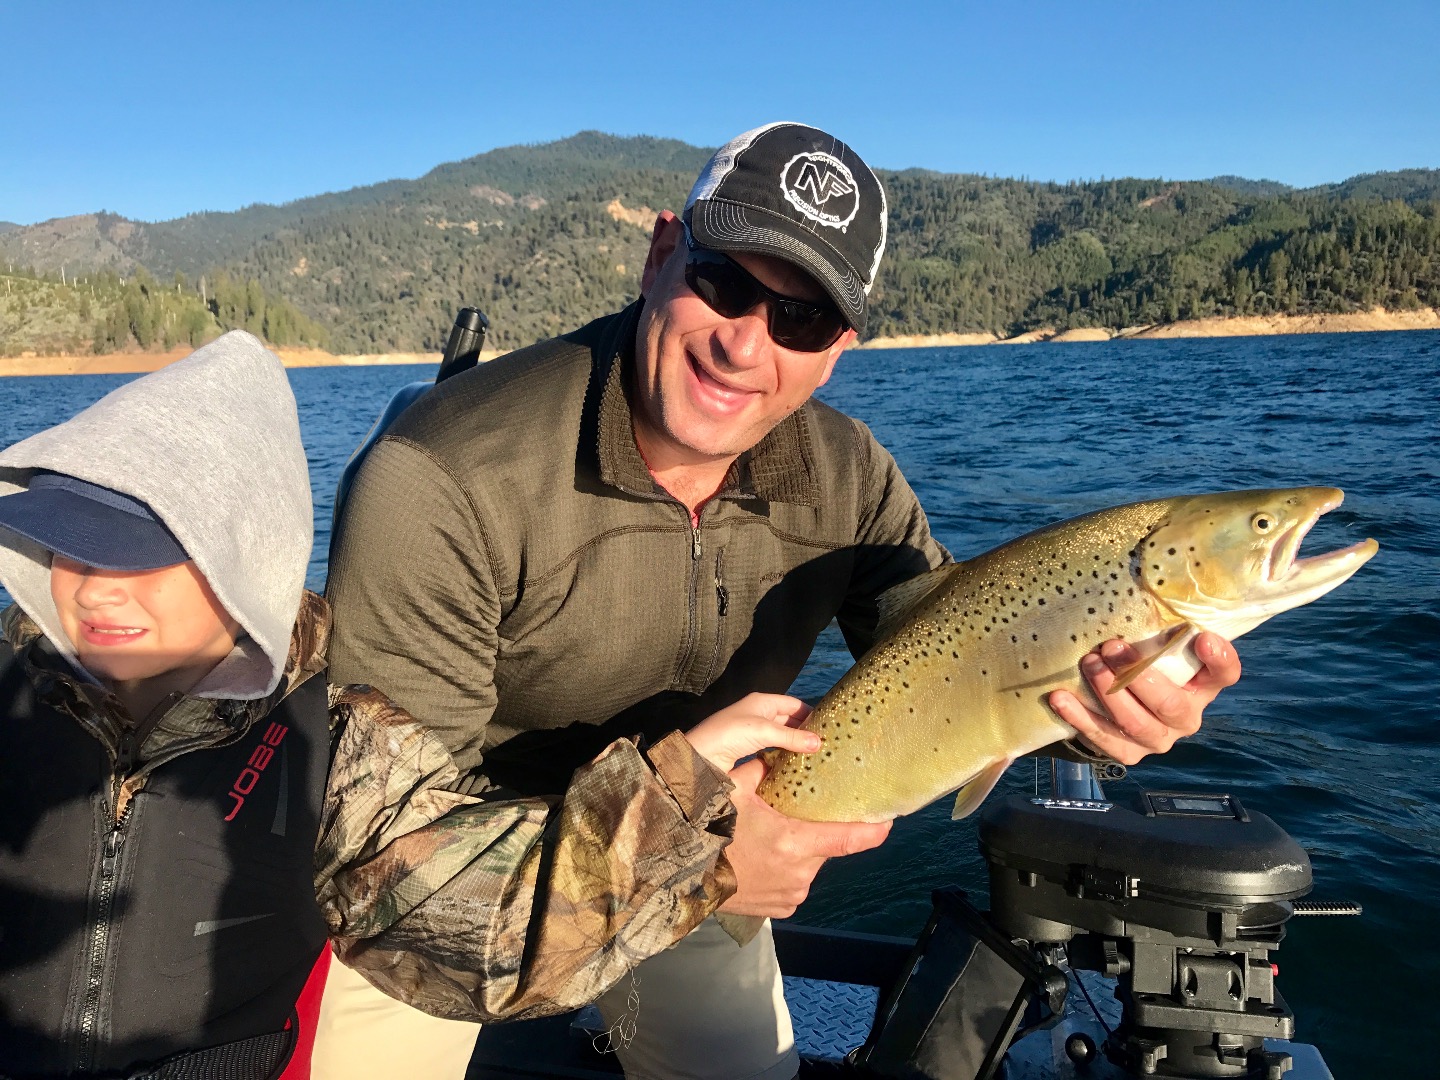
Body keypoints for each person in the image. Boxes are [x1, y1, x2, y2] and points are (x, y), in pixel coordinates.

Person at [326, 121, 1241, 1079]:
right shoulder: (438, 476)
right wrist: (694, 858)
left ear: (838, 348)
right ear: (661, 254)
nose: (743, 344)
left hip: (680, 851)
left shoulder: (849, 483)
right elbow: (379, 875)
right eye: (722, 281)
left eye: (799, 320)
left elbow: (976, 665)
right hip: (453, 870)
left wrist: (1106, 710)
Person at [0, 331, 809, 1079]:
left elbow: (501, 928)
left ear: (248, 557)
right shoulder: (14, 696)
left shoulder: (338, 748)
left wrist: (681, 799)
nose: (97, 587)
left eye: (144, 556)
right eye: (69, 543)